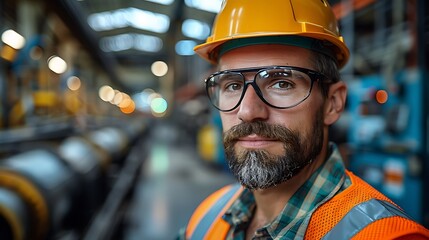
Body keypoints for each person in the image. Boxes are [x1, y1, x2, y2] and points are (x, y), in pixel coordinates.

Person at [179, 0, 429, 239]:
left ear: (333, 103)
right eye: (233, 85)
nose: (247, 111)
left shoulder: (387, 235)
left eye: (281, 83)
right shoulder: (208, 216)